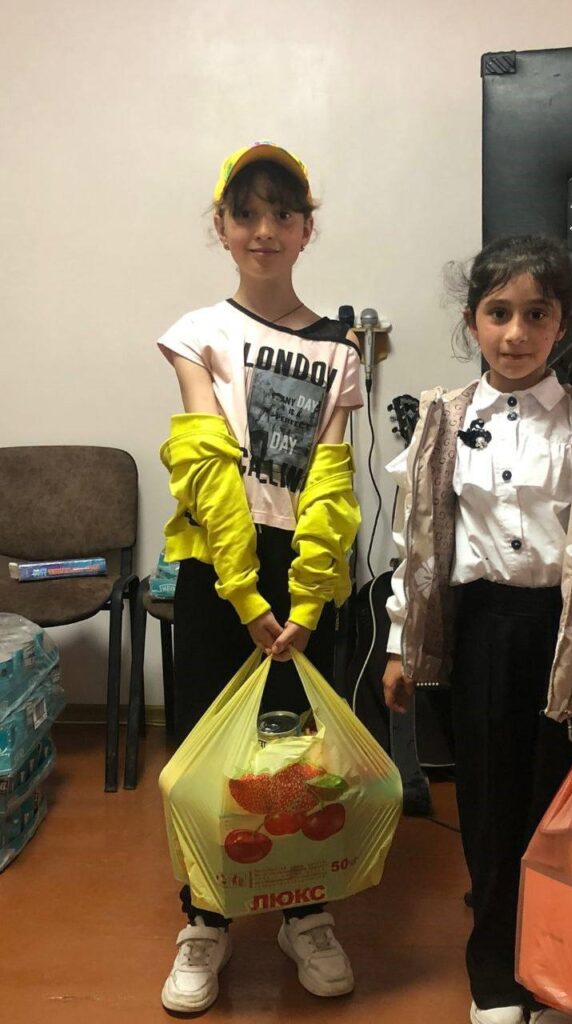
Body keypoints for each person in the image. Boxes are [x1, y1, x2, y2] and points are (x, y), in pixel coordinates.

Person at [382, 235, 572, 1024]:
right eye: (497, 313)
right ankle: (497, 976)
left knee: (557, 810)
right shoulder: (444, 419)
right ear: (471, 322)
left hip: (566, 639)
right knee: (490, 811)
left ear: (561, 324)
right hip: (482, 634)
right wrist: (401, 642)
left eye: (535, 314)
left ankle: (554, 966)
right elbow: (415, 544)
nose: (515, 333)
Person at [157, 142, 363, 1014]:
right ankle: (205, 919)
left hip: (300, 572)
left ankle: (301, 910)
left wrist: (309, 601)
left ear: (307, 227)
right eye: (247, 213)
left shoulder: (340, 350)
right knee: (211, 751)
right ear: (222, 227)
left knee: (296, 756)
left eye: (283, 213)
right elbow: (205, 468)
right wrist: (244, 598)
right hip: (217, 567)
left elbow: (331, 480)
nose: (265, 229)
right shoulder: (196, 333)